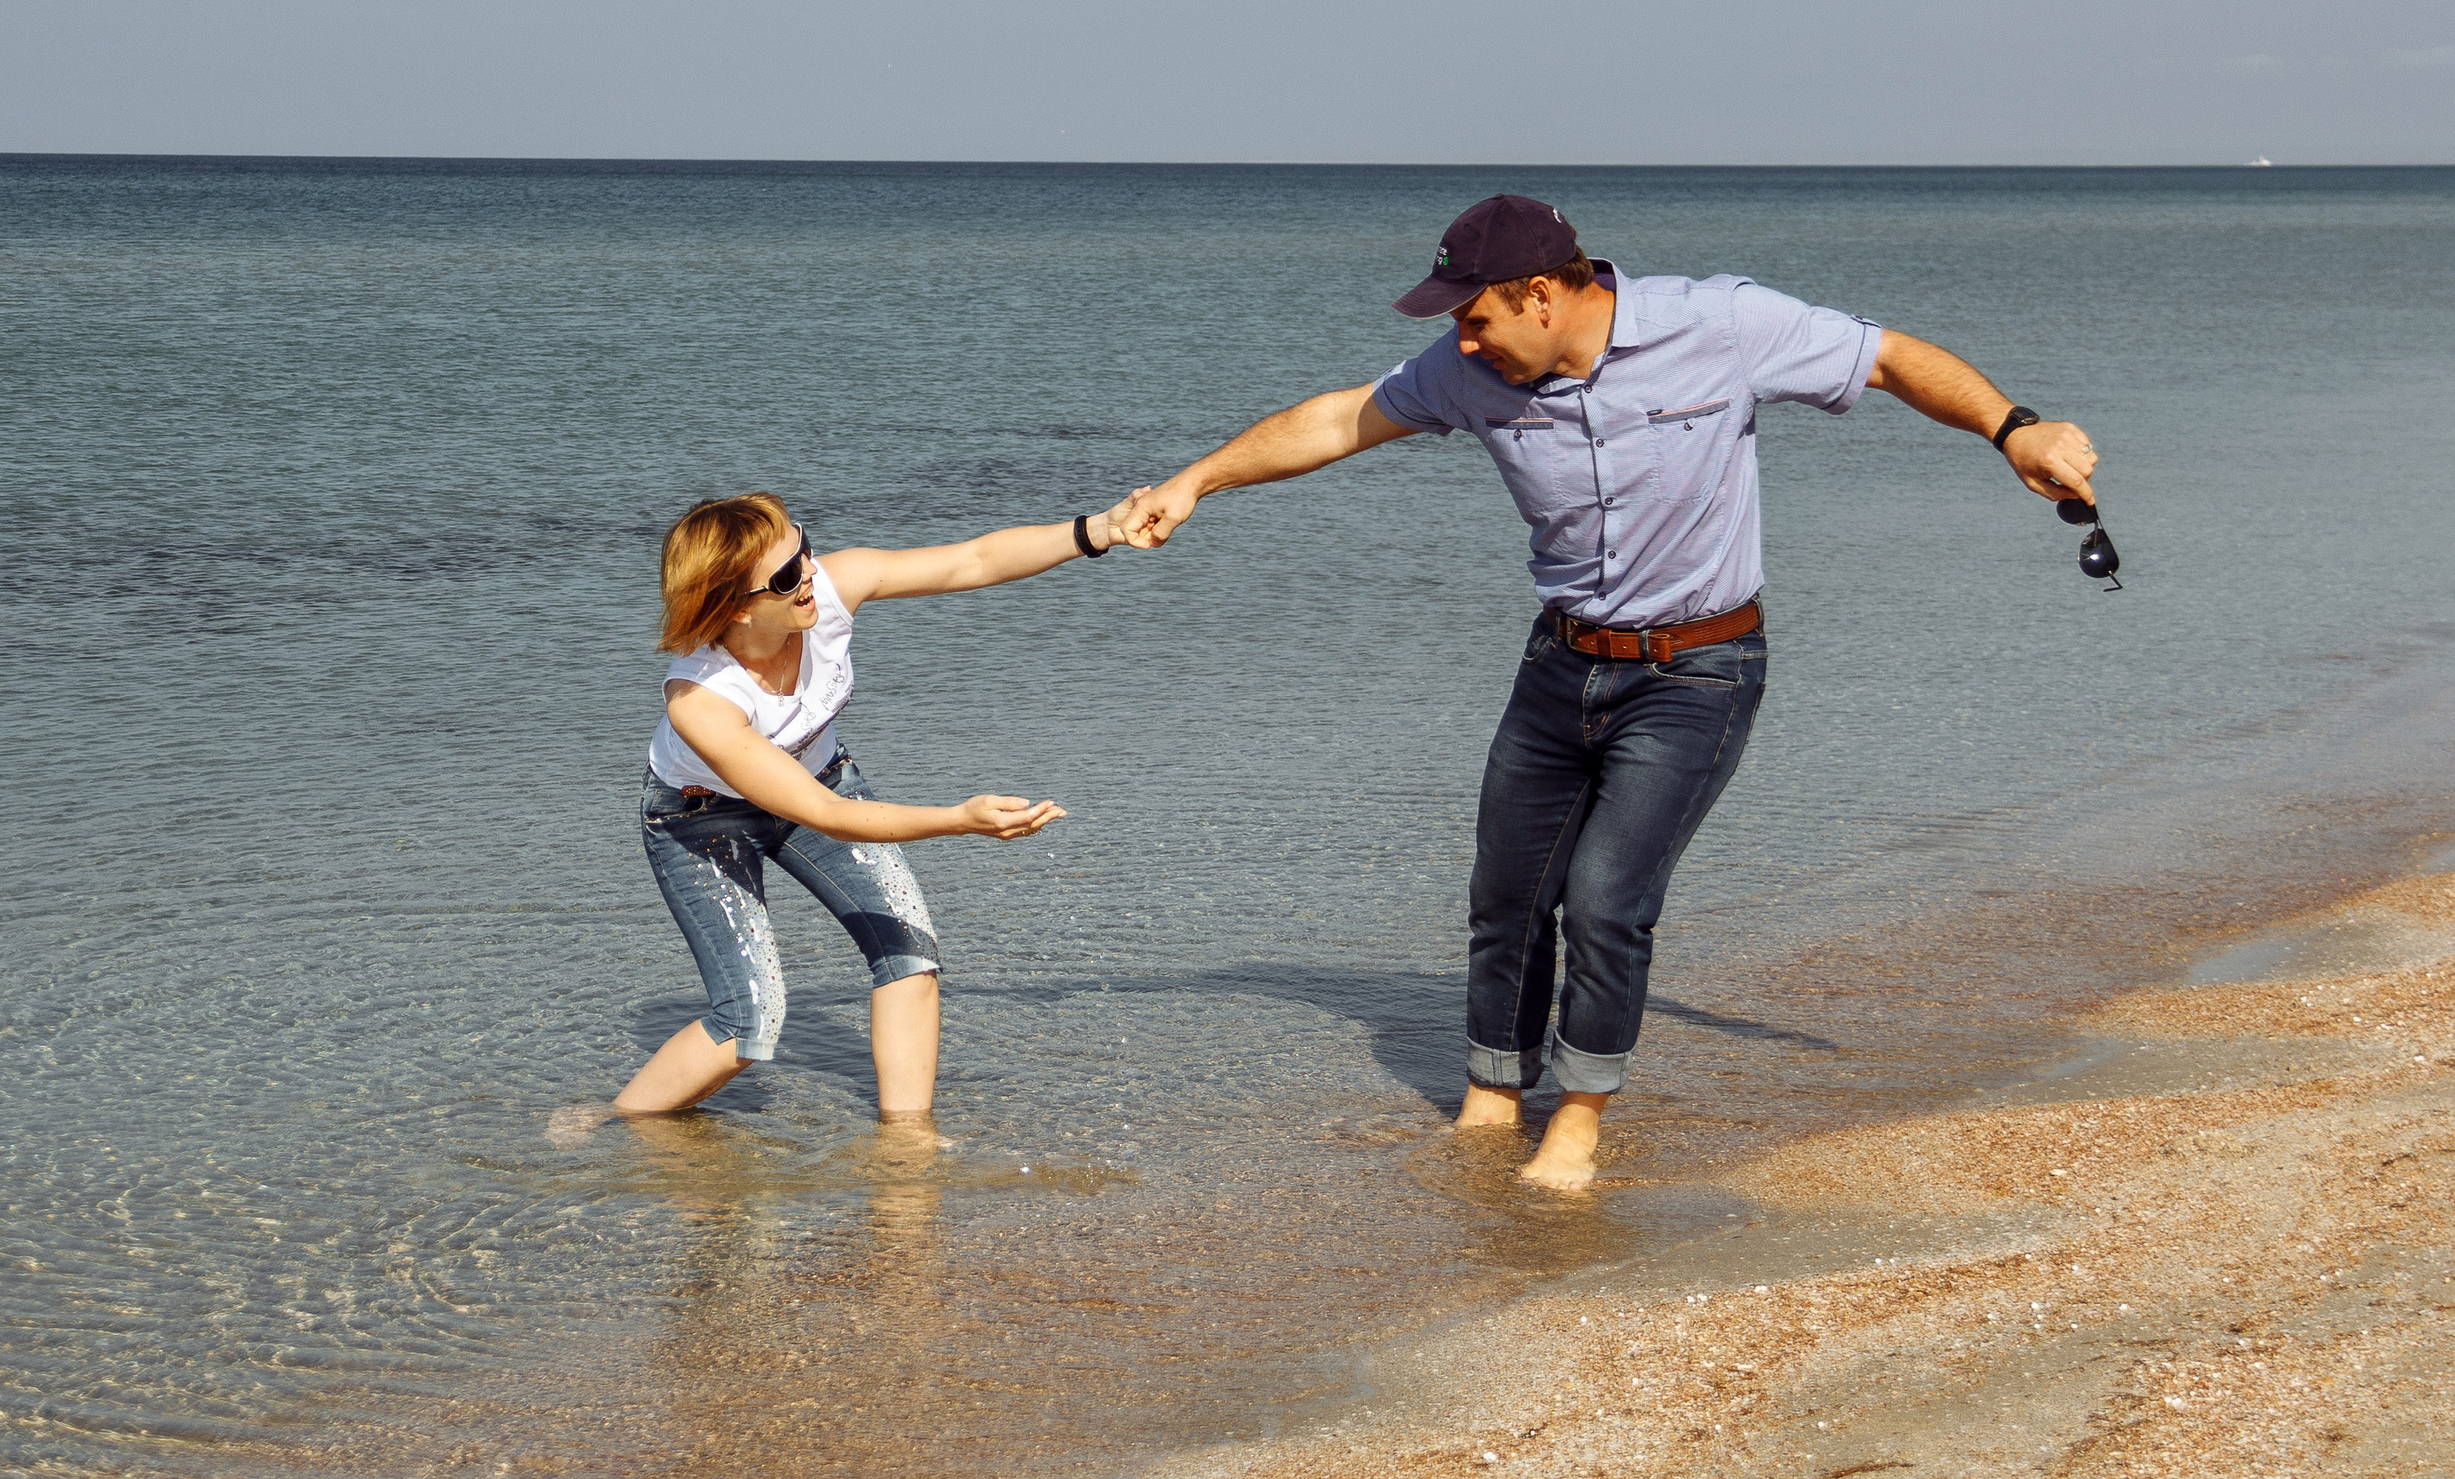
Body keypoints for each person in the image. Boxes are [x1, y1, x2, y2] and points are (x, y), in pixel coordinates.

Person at [1119, 195, 2100, 1189]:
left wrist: (2011, 428)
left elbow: (1884, 357)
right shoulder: (1469, 375)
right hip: (1558, 664)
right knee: (1507, 896)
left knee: (1603, 901)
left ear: (1541, 295)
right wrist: (1197, 482)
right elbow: (1338, 418)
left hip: (1697, 673)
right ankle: (1493, 1093)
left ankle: (1578, 1120)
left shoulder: (1716, 326)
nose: (1461, 341)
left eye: (1473, 317)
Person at [607, 489, 1141, 1129]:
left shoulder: (827, 591)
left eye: (802, 545)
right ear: (735, 609)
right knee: (750, 1021)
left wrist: (1097, 529)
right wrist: (959, 819)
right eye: (784, 576)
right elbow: (825, 817)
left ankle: (907, 1142)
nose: (808, 571)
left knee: (910, 955)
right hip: (701, 822)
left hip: (821, 779)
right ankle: (614, 1127)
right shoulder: (701, 700)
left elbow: (971, 560)